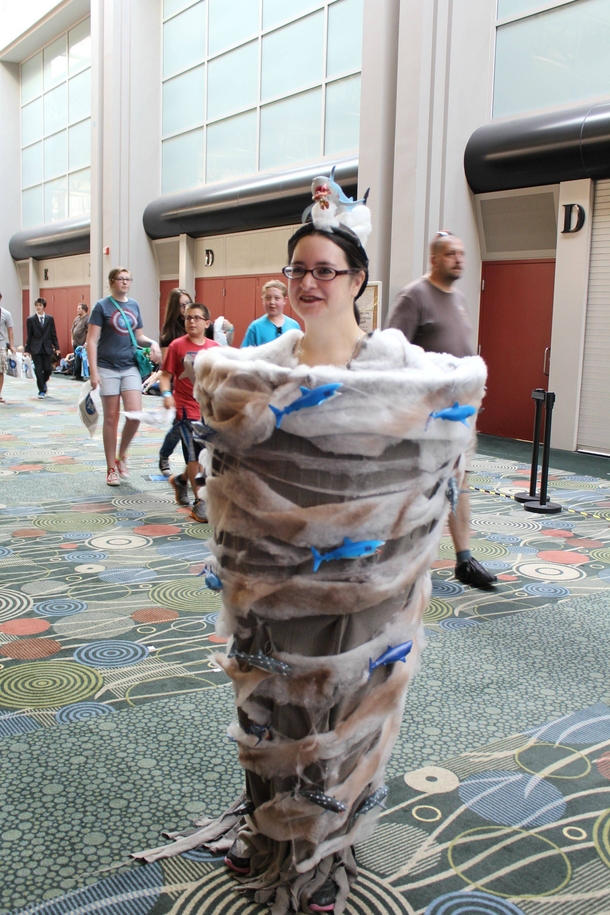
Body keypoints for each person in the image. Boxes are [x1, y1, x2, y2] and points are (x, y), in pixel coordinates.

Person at [135, 183, 487, 914]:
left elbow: (433, 443)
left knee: (340, 704)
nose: (310, 283)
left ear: (358, 280)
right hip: (272, 573)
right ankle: (268, 829)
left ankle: (325, 849)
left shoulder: (391, 368)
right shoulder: (266, 363)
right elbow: (231, 445)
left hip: (365, 579)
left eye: (326, 269)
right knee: (273, 698)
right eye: (298, 270)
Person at [386, 231, 497, 590]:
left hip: (460, 416)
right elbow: (392, 354)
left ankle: (464, 560)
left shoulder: (460, 299)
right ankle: (402, 558)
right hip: (427, 419)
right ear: (433, 259)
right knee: (420, 488)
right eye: (450, 254)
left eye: (462, 254)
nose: (459, 260)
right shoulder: (414, 296)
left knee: (460, 484)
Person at [86, 267, 161, 486]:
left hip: (129, 366)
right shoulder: (101, 307)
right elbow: (91, 340)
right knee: (111, 418)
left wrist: (153, 343)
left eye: (128, 279)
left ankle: (121, 455)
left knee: (135, 414)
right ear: (112, 282)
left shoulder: (134, 305)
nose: (125, 282)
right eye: (121, 279)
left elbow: (139, 336)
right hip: (107, 366)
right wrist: (93, 372)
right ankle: (110, 467)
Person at [160, 302, 219, 521]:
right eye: (188, 318)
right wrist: (167, 395)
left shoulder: (214, 348)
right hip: (186, 408)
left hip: (209, 409)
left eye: (196, 318)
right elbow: (165, 376)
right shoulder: (177, 346)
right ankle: (200, 501)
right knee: (195, 453)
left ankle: (181, 479)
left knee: (208, 453)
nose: (192, 321)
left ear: (206, 323)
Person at [158, 288, 192, 476]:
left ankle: (192, 471)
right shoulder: (169, 335)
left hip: (197, 388)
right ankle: (165, 455)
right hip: (179, 388)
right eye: (181, 305)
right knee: (181, 428)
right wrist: (167, 393)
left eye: (188, 303)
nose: (186, 308)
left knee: (189, 429)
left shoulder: (197, 325)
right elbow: (167, 369)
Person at [240, 280, 300, 347]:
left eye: (277, 298)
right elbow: (244, 354)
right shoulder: (255, 327)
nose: (272, 302)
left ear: (285, 300)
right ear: (263, 300)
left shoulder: (294, 326)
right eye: (268, 298)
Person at [25, 297, 60, 399]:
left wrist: (57, 347)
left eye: (40, 305)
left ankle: (43, 382)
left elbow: (53, 333)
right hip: (35, 347)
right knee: (38, 369)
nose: (38, 307)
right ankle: (41, 390)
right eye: (37, 305)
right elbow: (29, 335)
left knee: (48, 369)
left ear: (44, 306)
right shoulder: (30, 320)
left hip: (47, 347)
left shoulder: (50, 319)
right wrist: (27, 350)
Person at [0, 293, 15, 403]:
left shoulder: (5, 313)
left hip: (1, 345)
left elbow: (10, 329)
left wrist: (11, 345)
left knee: (1, 371)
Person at [71, 302, 89, 380]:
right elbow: (72, 330)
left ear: (84, 310)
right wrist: (72, 340)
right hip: (75, 342)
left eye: (79, 309)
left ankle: (78, 375)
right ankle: (76, 374)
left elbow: (89, 332)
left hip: (82, 343)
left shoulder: (87, 319)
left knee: (79, 359)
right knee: (75, 358)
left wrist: (86, 342)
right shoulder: (76, 318)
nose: (77, 310)